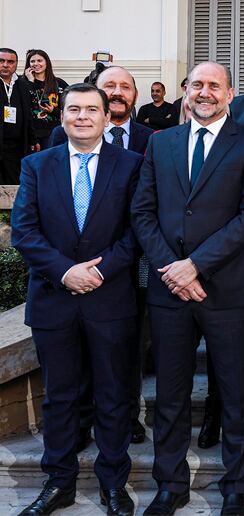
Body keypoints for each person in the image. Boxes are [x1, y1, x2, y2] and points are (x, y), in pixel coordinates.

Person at [131, 61, 244, 515]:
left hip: (228, 289)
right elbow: (143, 213)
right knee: (170, 397)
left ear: (231, 93)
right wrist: (172, 268)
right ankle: (170, 485)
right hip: (169, 291)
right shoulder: (162, 143)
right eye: (197, 84)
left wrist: (195, 265)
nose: (205, 92)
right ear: (185, 91)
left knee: (236, 394)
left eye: (215, 85)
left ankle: (236, 487)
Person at [12, 83, 143, 516]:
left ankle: (112, 484)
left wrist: (99, 271)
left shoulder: (132, 166)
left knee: (113, 395)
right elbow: (24, 231)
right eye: (74, 109)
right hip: (54, 298)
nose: (82, 116)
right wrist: (65, 271)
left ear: (108, 117)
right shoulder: (36, 165)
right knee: (60, 396)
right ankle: (59, 483)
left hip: (111, 300)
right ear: (62, 117)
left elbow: (137, 232)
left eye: (92, 109)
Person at [50, 66, 152, 155]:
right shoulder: (65, 133)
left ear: (136, 95)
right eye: (109, 86)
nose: (117, 93)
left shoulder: (152, 138)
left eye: (125, 87)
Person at [0, 47, 36, 184]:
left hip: (17, 147)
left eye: (10, 62)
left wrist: (33, 139)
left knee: (13, 185)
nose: (5, 65)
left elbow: (28, 115)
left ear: (16, 64)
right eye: (1, 61)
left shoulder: (22, 84)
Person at [22, 49, 68, 149]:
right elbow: (23, 103)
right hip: (31, 133)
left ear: (46, 62)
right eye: (32, 61)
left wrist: (53, 110)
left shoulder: (58, 83)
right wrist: (30, 82)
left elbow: (69, 107)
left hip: (53, 132)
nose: (36, 64)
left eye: (39, 60)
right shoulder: (22, 83)